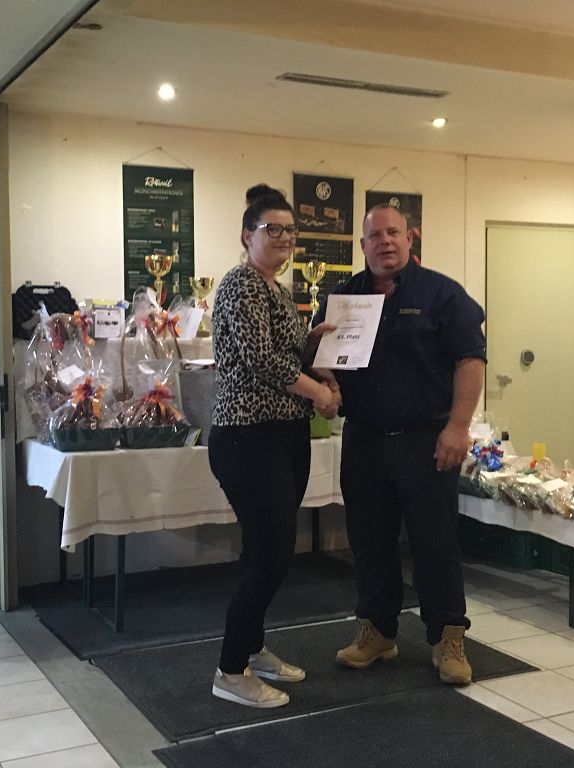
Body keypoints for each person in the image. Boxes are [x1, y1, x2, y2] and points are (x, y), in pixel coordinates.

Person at [313, 204, 485, 685]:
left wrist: (458, 427)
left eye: (393, 233)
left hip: (427, 441)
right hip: (364, 439)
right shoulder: (344, 298)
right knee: (369, 541)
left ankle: (447, 637)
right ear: (362, 245)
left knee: (435, 543)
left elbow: (470, 361)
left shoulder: (443, 295)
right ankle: (377, 631)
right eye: (375, 235)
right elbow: (326, 360)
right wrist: (327, 386)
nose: (385, 241)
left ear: (411, 238)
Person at [208, 183, 340, 708]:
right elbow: (262, 361)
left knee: (266, 550)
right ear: (248, 235)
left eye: (290, 230)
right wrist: (320, 393)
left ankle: (251, 646)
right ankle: (230, 670)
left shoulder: (278, 290)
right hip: (248, 437)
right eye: (272, 229)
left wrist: (316, 342)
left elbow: (285, 354)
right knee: (271, 552)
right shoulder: (241, 284)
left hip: (284, 435)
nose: (284, 237)